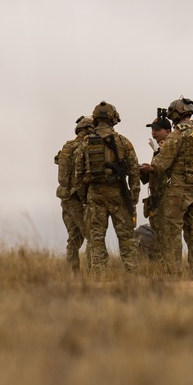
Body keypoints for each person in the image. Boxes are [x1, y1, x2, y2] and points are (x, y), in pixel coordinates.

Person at [141, 97, 193, 273]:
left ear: (176, 114)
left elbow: (162, 164)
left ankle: (174, 274)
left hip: (177, 192)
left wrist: (150, 167)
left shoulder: (177, 135)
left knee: (172, 233)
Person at [73, 101, 140, 273]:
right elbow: (134, 170)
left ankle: (99, 276)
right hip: (118, 194)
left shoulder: (85, 143)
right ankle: (132, 276)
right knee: (126, 237)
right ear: (113, 118)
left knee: (96, 238)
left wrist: (84, 196)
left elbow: (78, 173)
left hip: (95, 196)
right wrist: (134, 194)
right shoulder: (123, 142)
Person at [55, 116, 95, 273]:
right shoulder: (82, 147)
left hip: (65, 198)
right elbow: (80, 175)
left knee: (74, 238)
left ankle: (73, 274)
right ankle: (93, 273)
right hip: (76, 198)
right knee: (92, 237)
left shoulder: (67, 147)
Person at [135, 114, 172, 258]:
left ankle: (169, 265)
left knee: (166, 233)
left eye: (157, 129)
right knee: (158, 230)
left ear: (167, 131)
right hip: (156, 195)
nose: (153, 132)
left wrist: (151, 169)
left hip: (166, 196)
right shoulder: (158, 148)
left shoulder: (170, 147)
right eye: (152, 129)